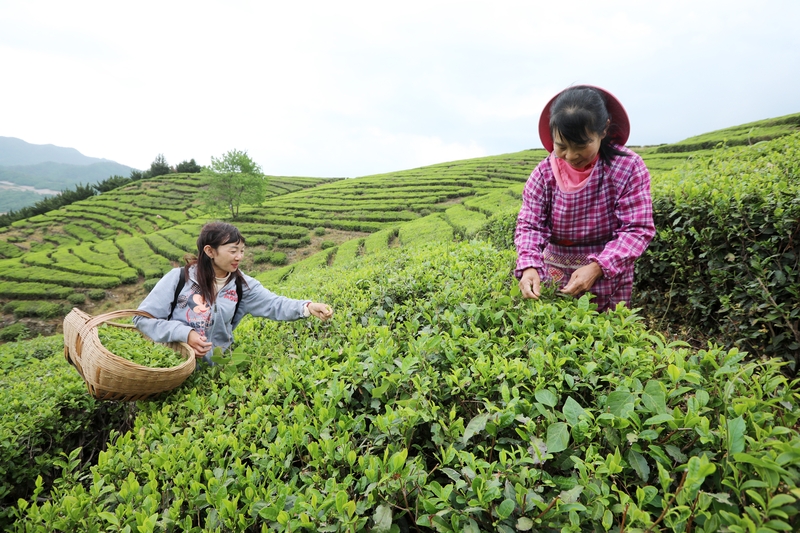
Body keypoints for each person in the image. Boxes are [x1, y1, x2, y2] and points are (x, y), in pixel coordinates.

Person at [514, 85, 655, 312]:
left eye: (581, 146)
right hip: (555, 272)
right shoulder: (543, 174)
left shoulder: (628, 167)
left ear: (603, 130)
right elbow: (530, 225)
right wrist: (529, 266)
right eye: (561, 146)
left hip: (608, 274)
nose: (571, 156)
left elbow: (637, 229)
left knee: (607, 338)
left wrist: (599, 266)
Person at [134, 221, 333, 364]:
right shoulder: (178, 278)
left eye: (242, 251)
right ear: (210, 251)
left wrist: (307, 307)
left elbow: (274, 304)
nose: (239, 257)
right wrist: (185, 333)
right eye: (233, 251)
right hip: (174, 368)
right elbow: (142, 320)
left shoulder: (242, 285)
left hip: (216, 371)